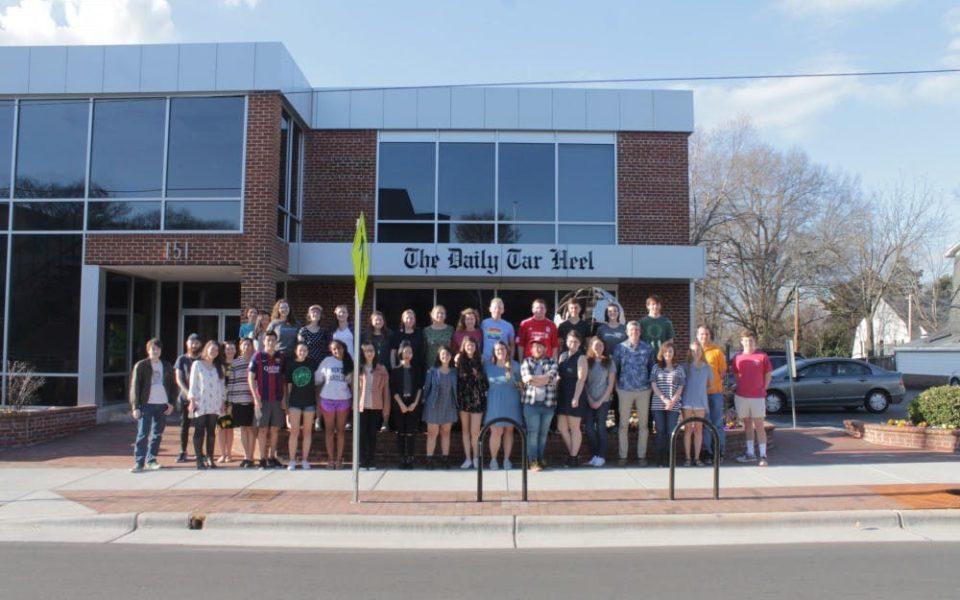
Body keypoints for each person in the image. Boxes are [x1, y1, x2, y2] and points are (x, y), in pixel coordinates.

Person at [128, 338, 177, 473]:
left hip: (162, 404)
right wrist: (135, 407)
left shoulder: (166, 365)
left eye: (157, 349)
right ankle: (139, 462)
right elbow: (135, 387)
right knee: (143, 433)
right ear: (148, 350)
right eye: (153, 349)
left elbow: (173, 386)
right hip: (146, 405)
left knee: (157, 434)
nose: (155, 351)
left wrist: (171, 403)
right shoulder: (141, 365)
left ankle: (151, 460)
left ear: (161, 351)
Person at [612, 321, 656, 466]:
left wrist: (650, 388)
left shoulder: (648, 348)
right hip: (624, 390)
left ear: (640, 332)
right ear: (627, 332)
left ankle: (641, 457)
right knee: (623, 425)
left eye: (637, 330)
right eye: (631, 330)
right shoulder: (619, 348)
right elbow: (614, 369)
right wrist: (616, 387)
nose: (634, 332)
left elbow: (652, 368)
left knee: (643, 426)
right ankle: (622, 456)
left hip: (643, 391)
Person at [247, 330, 286, 469]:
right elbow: (250, 378)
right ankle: (262, 458)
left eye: (273, 340)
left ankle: (272, 457)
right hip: (262, 399)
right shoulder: (257, 356)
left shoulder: (281, 357)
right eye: (268, 340)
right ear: (263, 341)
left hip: (277, 399)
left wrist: (284, 399)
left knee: (275, 429)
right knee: (262, 430)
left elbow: (284, 379)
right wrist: (255, 397)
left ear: (276, 342)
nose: (270, 342)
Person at [732, 331, 772, 467]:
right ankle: (750, 453)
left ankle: (763, 456)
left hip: (757, 397)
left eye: (750, 340)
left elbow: (768, 375)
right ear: (741, 341)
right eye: (745, 340)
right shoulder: (737, 357)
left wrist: (763, 389)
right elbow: (737, 375)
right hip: (742, 396)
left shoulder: (762, 356)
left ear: (754, 341)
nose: (748, 342)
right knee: (747, 425)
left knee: (759, 425)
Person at [520, 339, 559, 471]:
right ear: (531, 350)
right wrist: (545, 380)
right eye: (534, 347)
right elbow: (526, 379)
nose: (537, 349)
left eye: (540, 347)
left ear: (545, 348)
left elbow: (551, 377)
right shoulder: (526, 361)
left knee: (543, 434)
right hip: (531, 404)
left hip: (548, 404)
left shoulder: (552, 361)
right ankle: (532, 461)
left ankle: (540, 458)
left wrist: (533, 379)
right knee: (533, 433)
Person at [188, 340, 226, 470]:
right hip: (201, 402)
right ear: (206, 349)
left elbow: (221, 386)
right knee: (199, 430)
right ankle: (199, 460)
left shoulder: (219, 367)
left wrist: (222, 402)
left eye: (216, 350)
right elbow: (193, 384)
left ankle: (210, 458)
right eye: (212, 349)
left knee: (211, 431)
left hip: (214, 403)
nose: (214, 352)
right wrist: (192, 400)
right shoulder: (197, 364)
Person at [484, 341, 522, 470]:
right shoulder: (488, 366)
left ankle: (506, 459)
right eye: (497, 349)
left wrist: (515, 380)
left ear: (507, 350)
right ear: (494, 352)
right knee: (496, 431)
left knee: (508, 431)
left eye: (503, 349)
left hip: (512, 401)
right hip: (494, 402)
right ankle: (493, 459)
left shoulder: (515, 365)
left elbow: (522, 385)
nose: (500, 351)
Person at [316, 340, 353, 469]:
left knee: (341, 431)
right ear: (331, 351)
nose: (337, 351)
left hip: (343, 399)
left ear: (344, 348)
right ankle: (331, 459)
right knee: (329, 431)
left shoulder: (349, 362)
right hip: (327, 399)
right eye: (334, 349)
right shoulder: (327, 361)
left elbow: (352, 382)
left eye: (339, 348)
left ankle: (339, 459)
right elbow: (318, 378)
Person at [422, 345, 458, 469]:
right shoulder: (432, 371)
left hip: (449, 405)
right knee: (432, 433)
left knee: (446, 433)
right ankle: (429, 460)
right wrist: (424, 401)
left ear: (451, 356)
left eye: (448, 354)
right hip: (433, 405)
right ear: (439, 356)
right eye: (443, 354)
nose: (445, 356)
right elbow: (426, 388)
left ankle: (445, 459)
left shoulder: (454, 372)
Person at [650, 340, 685, 467]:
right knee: (660, 431)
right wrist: (664, 399)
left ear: (674, 353)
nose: (668, 354)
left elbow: (681, 386)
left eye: (670, 351)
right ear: (662, 353)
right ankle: (660, 459)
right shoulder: (656, 367)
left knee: (671, 431)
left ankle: (670, 459)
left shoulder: (679, 368)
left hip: (673, 404)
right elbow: (653, 385)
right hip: (658, 404)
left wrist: (672, 401)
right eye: (665, 352)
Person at [556, 330, 588, 467]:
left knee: (574, 427)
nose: (572, 344)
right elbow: (558, 375)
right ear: (566, 342)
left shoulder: (581, 358)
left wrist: (576, 397)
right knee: (561, 427)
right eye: (570, 341)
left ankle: (573, 457)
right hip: (562, 394)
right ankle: (573, 453)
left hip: (575, 394)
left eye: (575, 342)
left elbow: (581, 379)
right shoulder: (562, 355)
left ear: (579, 343)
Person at [583, 336, 616, 468]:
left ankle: (601, 456)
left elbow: (610, 385)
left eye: (601, 345)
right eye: (596, 345)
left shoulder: (609, 362)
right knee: (589, 428)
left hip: (604, 400)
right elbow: (583, 383)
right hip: (589, 400)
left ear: (604, 347)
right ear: (591, 346)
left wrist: (600, 401)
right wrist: (590, 399)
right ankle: (594, 456)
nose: (598, 347)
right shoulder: (586, 361)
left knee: (601, 427)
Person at [455, 336, 488, 469]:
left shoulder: (481, 360)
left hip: (477, 398)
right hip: (463, 398)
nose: (470, 347)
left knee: (475, 431)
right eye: (468, 345)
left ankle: (476, 458)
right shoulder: (459, 360)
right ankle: (467, 458)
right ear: (464, 346)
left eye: (473, 345)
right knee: (465, 431)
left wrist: (477, 374)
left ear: (476, 347)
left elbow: (485, 382)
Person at [356, 342, 390, 470]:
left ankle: (371, 460)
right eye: (367, 351)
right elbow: (354, 389)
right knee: (362, 434)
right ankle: (362, 461)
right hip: (361, 407)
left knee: (372, 434)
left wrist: (386, 411)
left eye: (372, 350)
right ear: (363, 353)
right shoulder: (358, 368)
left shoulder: (381, 369)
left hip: (376, 406)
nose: (369, 353)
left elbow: (386, 392)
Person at [285, 341, 318, 470]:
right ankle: (292, 460)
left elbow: (317, 381)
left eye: (305, 350)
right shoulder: (291, 365)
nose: (302, 352)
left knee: (307, 432)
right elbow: (288, 386)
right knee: (294, 431)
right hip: (295, 402)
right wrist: (287, 405)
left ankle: (304, 460)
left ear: (308, 352)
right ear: (296, 351)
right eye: (300, 350)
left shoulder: (312, 364)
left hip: (309, 401)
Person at [697, 326, 728, 461]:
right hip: (700, 395)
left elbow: (723, 373)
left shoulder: (717, 352)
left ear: (710, 336)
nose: (704, 336)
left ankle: (719, 451)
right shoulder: (694, 351)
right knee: (704, 424)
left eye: (706, 334)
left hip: (715, 394)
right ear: (697, 335)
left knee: (717, 424)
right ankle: (708, 453)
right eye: (701, 334)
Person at [390, 342, 423, 470]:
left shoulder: (416, 370)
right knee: (401, 432)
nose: (407, 354)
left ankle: (410, 458)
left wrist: (415, 403)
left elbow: (420, 387)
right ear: (400, 353)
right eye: (405, 352)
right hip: (400, 404)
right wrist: (401, 404)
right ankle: (401, 458)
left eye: (410, 352)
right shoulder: (395, 370)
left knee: (410, 432)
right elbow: (393, 389)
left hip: (413, 404)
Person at [682, 341, 714, 467]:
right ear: (690, 352)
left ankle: (697, 458)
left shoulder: (707, 368)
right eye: (693, 350)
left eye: (698, 350)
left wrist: (700, 391)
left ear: (702, 351)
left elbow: (710, 385)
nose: (696, 352)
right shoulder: (685, 367)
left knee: (698, 430)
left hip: (701, 402)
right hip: (687, 401)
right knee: (688, 430)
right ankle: (687, 458)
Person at [228, 337, 257, 469]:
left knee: (251, 429)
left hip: (252, 400)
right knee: (243, 428)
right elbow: (231, 382)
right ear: (240, 347)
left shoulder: (256, 361)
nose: (246, 347)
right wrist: (230, 401)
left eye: (249, 345)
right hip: (238, 400)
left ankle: (251, 456)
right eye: (244, 345)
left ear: (252, 347)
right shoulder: (235, 363)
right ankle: (246, 456)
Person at [173, 333, 202, 463]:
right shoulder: (182, 359)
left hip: (200, 399)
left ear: (200, 344)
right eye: (192, 342)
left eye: (196, 343)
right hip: (185, 399)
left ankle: (199, 451)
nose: (194, 345)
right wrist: (189, 394)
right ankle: (182, 451)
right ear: (187, 344)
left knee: (200, 426)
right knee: (184, 425)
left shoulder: (203, 359)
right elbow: (178, 379)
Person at [215, 341, 238, 464]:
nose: (230, 351)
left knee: (230, 428)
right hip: (222, 400)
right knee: (221, 427)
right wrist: (221, 400)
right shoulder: (219, 365)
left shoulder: (238, 363)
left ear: (236, 350)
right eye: (228, 349)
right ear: (224, 351)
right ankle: (222, 454)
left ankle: (229, 453)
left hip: (235, 399)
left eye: (232, 348)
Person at [481, 297, 515, 362]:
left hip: (502, 361)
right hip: (486, 360)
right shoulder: (484, 323)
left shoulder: (509, 326)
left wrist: (510, 359)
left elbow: (512, 345)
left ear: (503, 310)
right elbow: (480, 341)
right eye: (495, 308)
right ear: (490, 309)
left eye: (500, 308)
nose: (497, 310)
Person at [423, 305, 454, 370]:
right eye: (437, 313)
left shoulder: (450, 329)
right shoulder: (426, 330)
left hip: (446, 363)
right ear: (432, 315)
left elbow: (453, 347)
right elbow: (424, 349)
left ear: (445, 315)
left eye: (442, 313)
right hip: (431, 364)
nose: (440, 315)